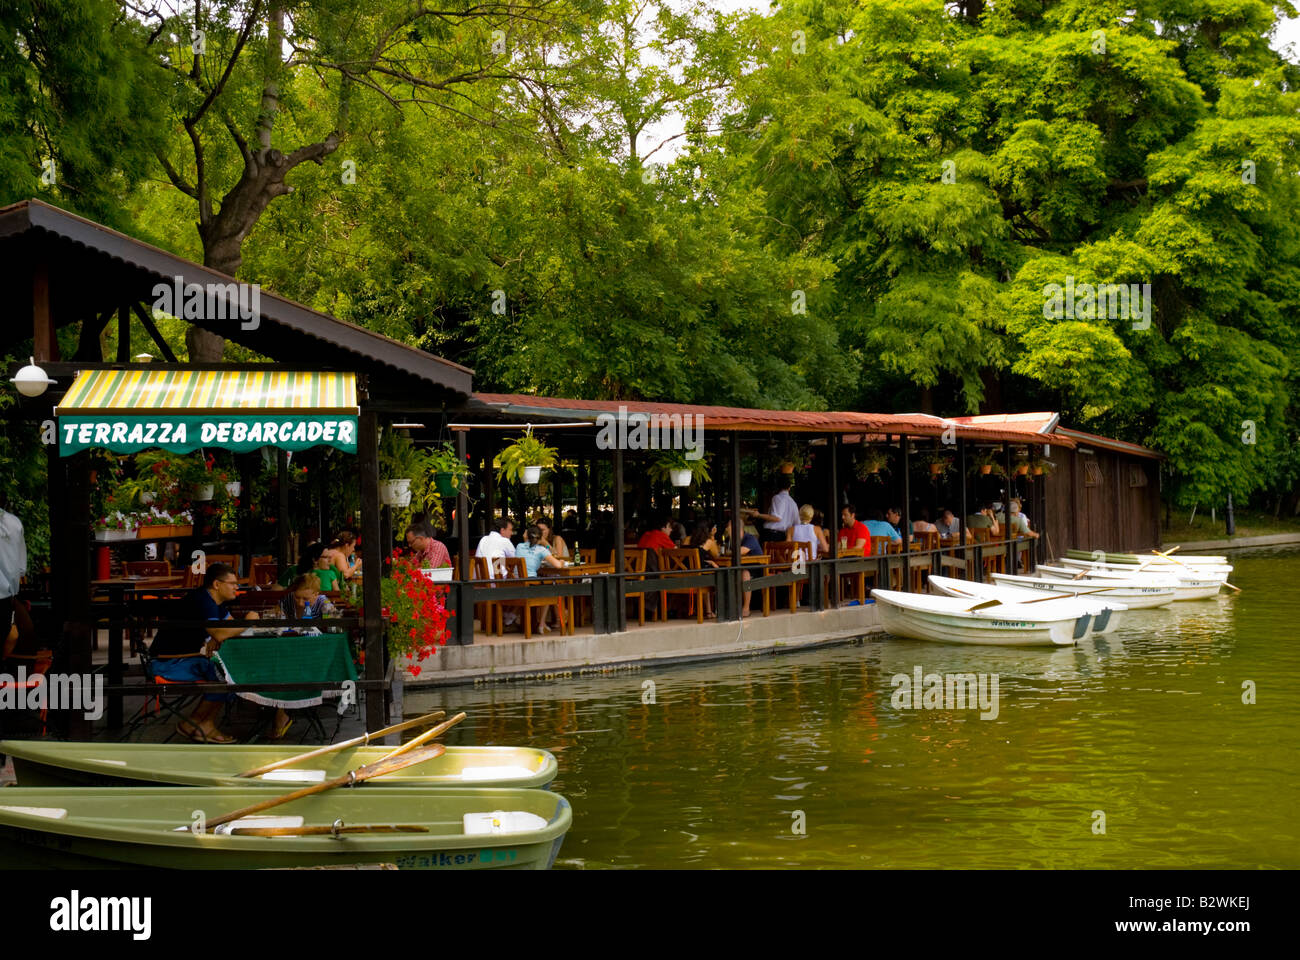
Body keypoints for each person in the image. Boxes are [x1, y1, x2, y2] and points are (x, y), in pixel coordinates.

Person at [148, 563, 258, 743]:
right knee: (226, 677)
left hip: (185, 659)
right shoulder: (203, 601)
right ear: (217, 584)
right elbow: (222, 633)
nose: (236, 587)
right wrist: (248, 622)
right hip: (167, 664)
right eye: (232, 583)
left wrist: (223, 634)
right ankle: (196, 723)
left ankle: (202, 723)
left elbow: (227, 629)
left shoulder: (215, 603)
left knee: (229, 673)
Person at [513, 525, 564, 633]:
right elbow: (558, 565)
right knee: (550, 588)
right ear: (540, 538)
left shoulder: (519, 546)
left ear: (526, 535)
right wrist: (562, 562)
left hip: (516, 584)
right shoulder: (541, 550)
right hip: (530, 585)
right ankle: (541, 624)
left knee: (544, 585)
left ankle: (537, 623)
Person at [754, 476, 799, 543]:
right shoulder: (793, 503)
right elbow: (797, 523)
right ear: (789, 488)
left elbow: (776, 518)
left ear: (777, 487)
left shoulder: (777, 498)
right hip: (784, 536)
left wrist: (758, 515)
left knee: (766, 553)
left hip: (772, 535)